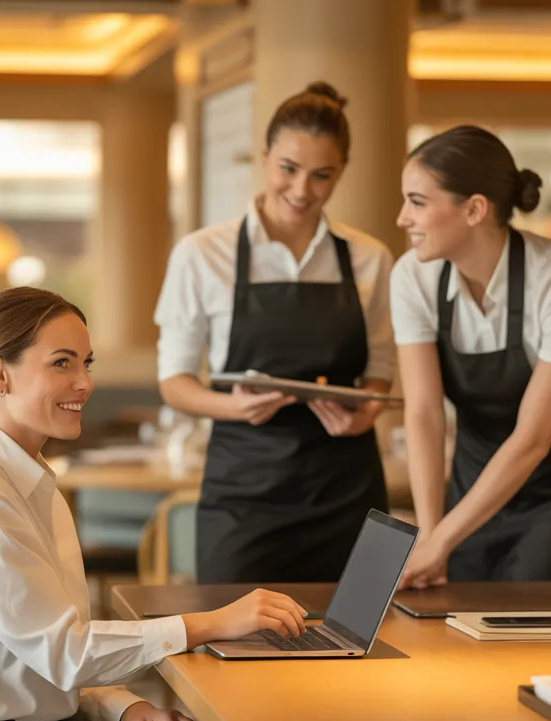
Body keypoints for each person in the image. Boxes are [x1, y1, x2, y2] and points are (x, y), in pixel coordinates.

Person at [0, 287, 310, 721]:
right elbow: (62, 652)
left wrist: (123, 709)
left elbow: (36, 661)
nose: (84, 383)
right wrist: (215, 623)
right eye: (61, 363)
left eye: (86, 363)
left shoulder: (25, 480)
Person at [154, 82, 396, 584]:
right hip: (243, 498)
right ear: (264, 157)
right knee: (231, 651)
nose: (302, 190)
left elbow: (379, 373)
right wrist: (232, 406)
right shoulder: (202, 254)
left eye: (322, 175)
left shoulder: (371, 258)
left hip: (350, 493)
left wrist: (363, 415)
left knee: (365, 653)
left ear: (341, 172)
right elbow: (174, 381)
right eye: (288, 169)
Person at [391, 125, 551, 596]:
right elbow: (424, 413)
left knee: (535, 646)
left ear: (473, 209)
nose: (402, 218)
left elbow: (533, 438)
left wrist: (442, 538)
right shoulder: (412, 277)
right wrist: (432, 535)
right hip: (469, 500)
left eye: (417, 202)